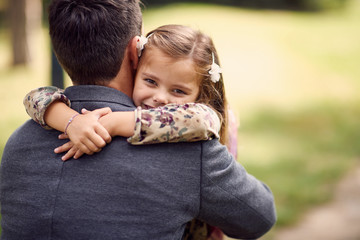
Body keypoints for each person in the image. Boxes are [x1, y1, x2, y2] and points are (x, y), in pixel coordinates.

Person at [0, 1, 276, 240]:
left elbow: (204, 118)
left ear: (59, 50)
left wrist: (99, 122)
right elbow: (260, 219)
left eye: (177, 91)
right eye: (151, 81)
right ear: (136, 52)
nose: (160, 98)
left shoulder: (18, 143)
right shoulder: (187, 151)